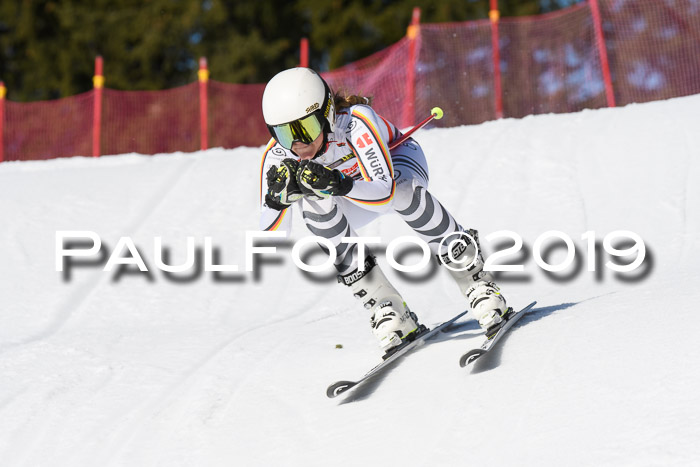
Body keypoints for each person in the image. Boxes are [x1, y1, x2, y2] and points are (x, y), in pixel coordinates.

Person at [259, 67, 508, 354]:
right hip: (353, 195)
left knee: (402, 192)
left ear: (326, 113)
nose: (297, 145)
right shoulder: (277, 154)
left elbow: (385, 194)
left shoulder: (356, 123)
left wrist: (340, 184)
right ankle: (387, 307)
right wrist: (278, 201)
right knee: (312, 202)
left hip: (397, 167)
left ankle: (476, 282)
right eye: (283, 133)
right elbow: (270, 241)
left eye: (306, 129)